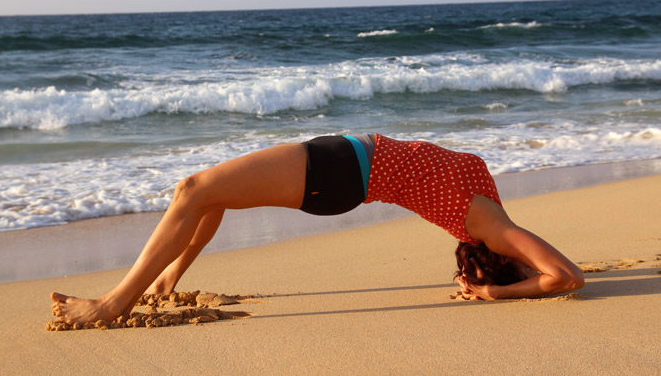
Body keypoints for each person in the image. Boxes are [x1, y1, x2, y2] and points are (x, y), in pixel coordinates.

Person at [51, 134, 584, 324]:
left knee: (196, 190)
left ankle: (116, 301)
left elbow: (566, 276)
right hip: (340, 165)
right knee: (201, 193)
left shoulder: (492, 227)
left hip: (341, 173)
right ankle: (166, 279)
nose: (528, 255)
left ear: (506, 256)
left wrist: (497, 290)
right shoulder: (489, 204)